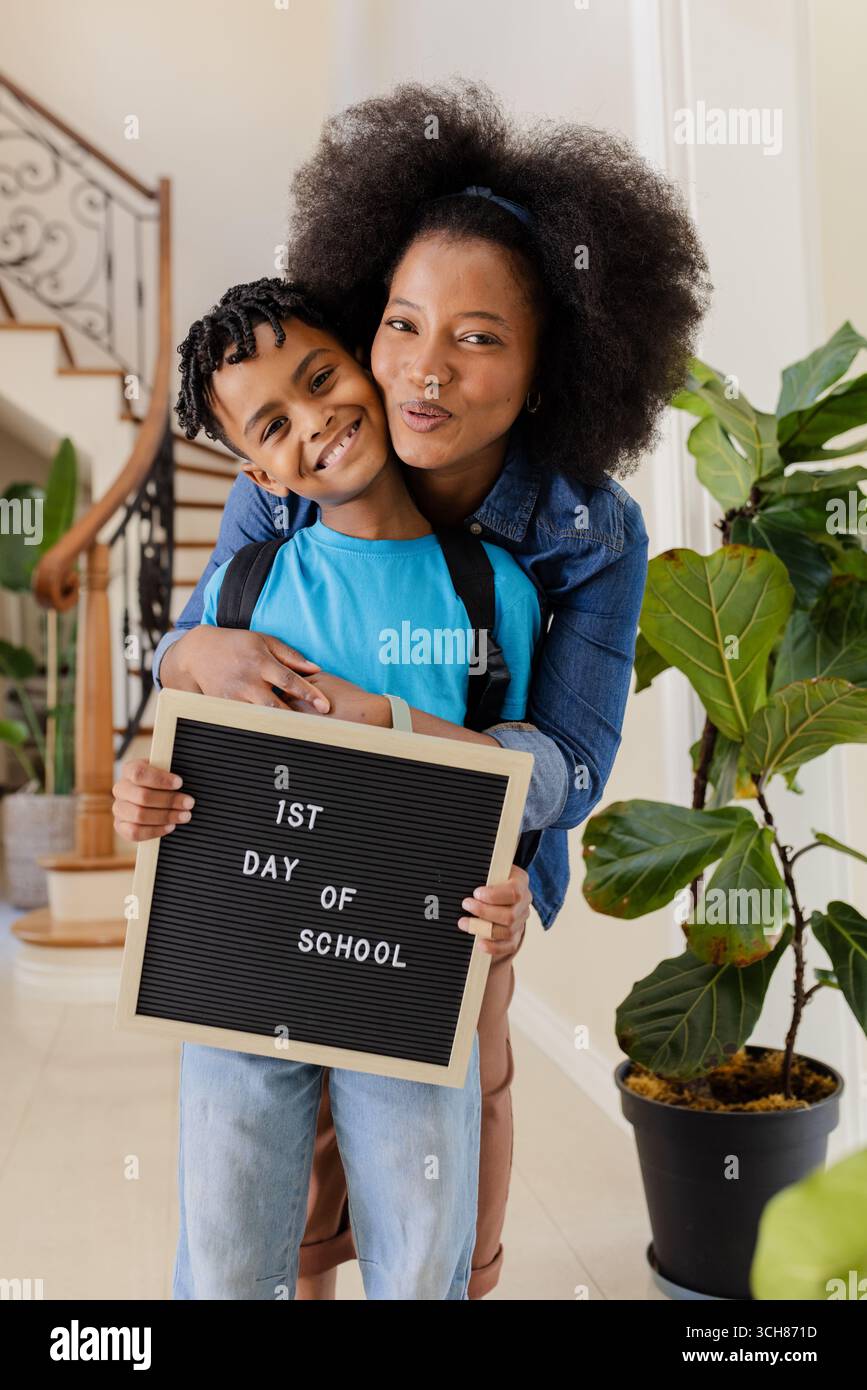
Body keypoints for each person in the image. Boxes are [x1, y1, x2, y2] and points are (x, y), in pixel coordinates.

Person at [114, 80, 710, 1296]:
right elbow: (209, 632)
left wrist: (401, 735)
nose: (423, 373)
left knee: (434, 1179)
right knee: (262, 1186)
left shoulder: (583, 535)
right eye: (400, 324)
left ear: (554, 366)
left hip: (449, 897)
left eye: (479, 337)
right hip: (272, 893)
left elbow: (571, 762)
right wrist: (181, 663)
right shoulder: (288, 478)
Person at [134, 277, 542, 1299]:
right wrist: (142, 798)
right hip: (240, 985)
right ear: (253, 466)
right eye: (276, 421)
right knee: (226, 1257)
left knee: (419, 1254)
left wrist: (509, 895)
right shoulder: (239, 593)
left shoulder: (495, 593)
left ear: (364, 359)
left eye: (322, 378)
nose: (316, 422)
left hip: (413, 982)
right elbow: (178, 757)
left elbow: (506, 792)